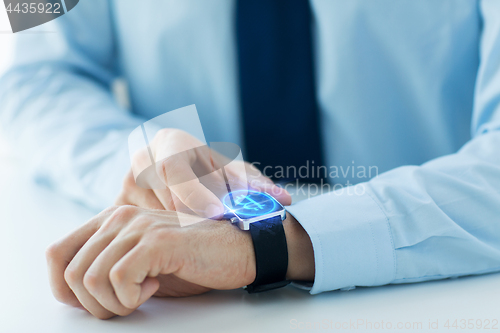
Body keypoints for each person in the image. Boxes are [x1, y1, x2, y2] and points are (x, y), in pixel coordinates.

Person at [1, 0, 500, 320]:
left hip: (438, 295)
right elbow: (34, 71)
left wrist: (270, 244)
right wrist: (141, 162)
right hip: (190, 298)